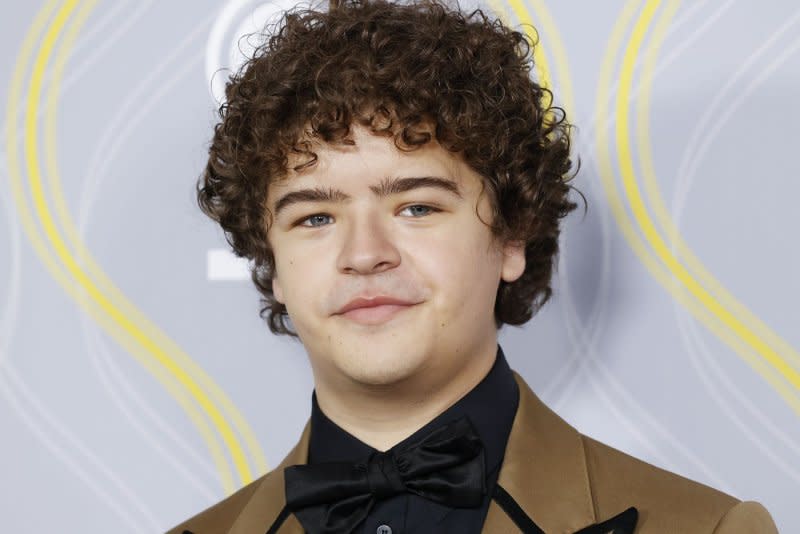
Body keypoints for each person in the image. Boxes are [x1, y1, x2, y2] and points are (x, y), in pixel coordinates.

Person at [167, 0, 778, 532]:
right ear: (271, 260)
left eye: (416, 206)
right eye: (316, 218)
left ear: (512, 237)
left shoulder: (707, 528)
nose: (364, 254)